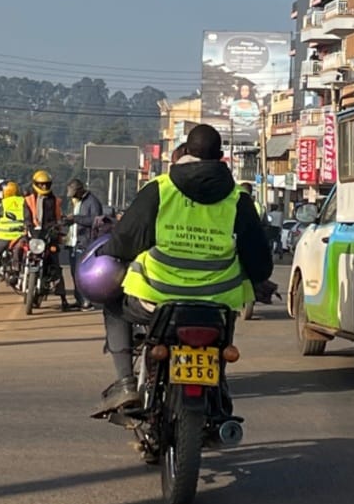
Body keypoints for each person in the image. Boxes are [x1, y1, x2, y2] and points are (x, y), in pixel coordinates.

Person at [92, 123, 274, 416]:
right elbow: (259, 261)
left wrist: (108, 251)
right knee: (222, 335)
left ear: (186, 152)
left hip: (156, 299)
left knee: (113, 304)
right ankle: (218, 387)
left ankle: (126, 384)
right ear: (222, 157)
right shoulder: (238, 198)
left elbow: (125, 241)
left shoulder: (160, 189)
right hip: (217, 303)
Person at [21, 169, 72, 311]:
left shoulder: (55, 200)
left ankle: (63, 299)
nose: (44, 187)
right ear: (35, 184)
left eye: (46, 184)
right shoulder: (28, 200)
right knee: (21, 251)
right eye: (41, 184)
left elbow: (57, 217)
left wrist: (58, 228)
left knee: (55, 265)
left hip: (49, 236)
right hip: (34, 235)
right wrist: (28, 226)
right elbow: (27, 217)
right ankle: (17, 275)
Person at [63, 178, 103, 310]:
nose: (73, 197)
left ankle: (86, 300)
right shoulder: (78, 203)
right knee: (74, 273)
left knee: (82, 274)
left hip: (86, 243)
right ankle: (79, 299)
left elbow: (96, 221)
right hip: (74, 241)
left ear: (80, 191)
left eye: (74, 193)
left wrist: (76, 219)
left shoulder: (93, 202)